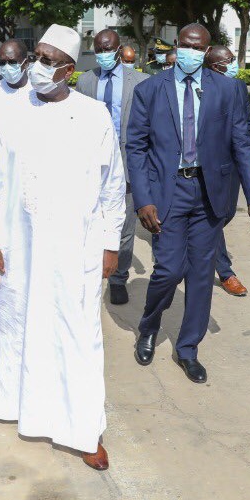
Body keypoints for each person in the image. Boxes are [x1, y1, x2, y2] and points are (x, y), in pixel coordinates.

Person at [0, 24, 125, 471]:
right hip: (18, 245)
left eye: (47, 59)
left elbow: (112, 187)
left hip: (75, 246)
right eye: (34, 56)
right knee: (19, 325)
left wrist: (110, 245)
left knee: (79, 334)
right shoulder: (0, 110)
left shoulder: (94, 115)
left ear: (68, 69)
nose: (36, 67)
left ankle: (84, 429)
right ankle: (21, 407)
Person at [126, 23, 250, 385]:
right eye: (186, 46)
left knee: (202, 276)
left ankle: (188, 348)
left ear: (207, 51)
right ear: (178, 46)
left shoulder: (228, 89)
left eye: (199, 47)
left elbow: (242, 143)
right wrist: (143, 198)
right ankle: (150, 325)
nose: (192, 52)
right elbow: (137, 148)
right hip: (167, 192)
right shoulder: (150, 90)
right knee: (169, 271)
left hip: (209, 193)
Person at [76, 28, 147, 305]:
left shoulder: (140, 82)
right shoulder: (85, 81)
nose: (104, 54)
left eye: (108, 49)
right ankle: (91, 271)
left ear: (119, 49)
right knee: (89, 222)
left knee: (124, 227)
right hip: (92, 164)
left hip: (127, 163)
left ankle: (118, 278)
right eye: (99, 50)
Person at [204, 45, 250, 297]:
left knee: (226, 214)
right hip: (209, 164)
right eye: (228, 60)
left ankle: (201, 247)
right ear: (215, 66)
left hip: (235, 161)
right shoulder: (201, 87)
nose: (233, 64)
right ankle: (226, 272)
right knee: (214, 217)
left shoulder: (238, 86)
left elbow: (249, 121)